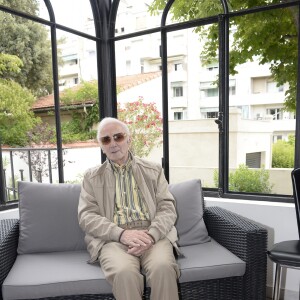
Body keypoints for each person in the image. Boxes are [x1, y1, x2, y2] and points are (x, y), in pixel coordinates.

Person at [78, 117, 180, 300]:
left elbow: (167, 207)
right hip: (113, 239)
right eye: (106, 139)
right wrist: (121, 234)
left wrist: (151, 235)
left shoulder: (154, 170)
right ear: (101, 145)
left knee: (163, 268)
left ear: (129, 139)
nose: (113, 143)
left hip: (152, 235)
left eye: (118, 137)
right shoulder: (91, 177)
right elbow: (87, 216)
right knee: (125, 273)